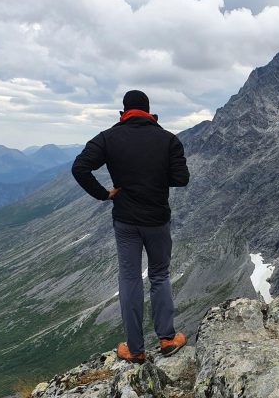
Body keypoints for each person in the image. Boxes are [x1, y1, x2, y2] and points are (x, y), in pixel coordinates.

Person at [72, 90, 190, 363]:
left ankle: (135, 350)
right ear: (149, 111)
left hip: (125, 220)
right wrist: (155, 179)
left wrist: (103, 194)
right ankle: (167, 339)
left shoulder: (108, 137)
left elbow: (80, 168)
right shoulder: (168, 140)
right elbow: (181, 178)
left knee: (129, 278)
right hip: (157, 220)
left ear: (123, 112)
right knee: (159, 275)